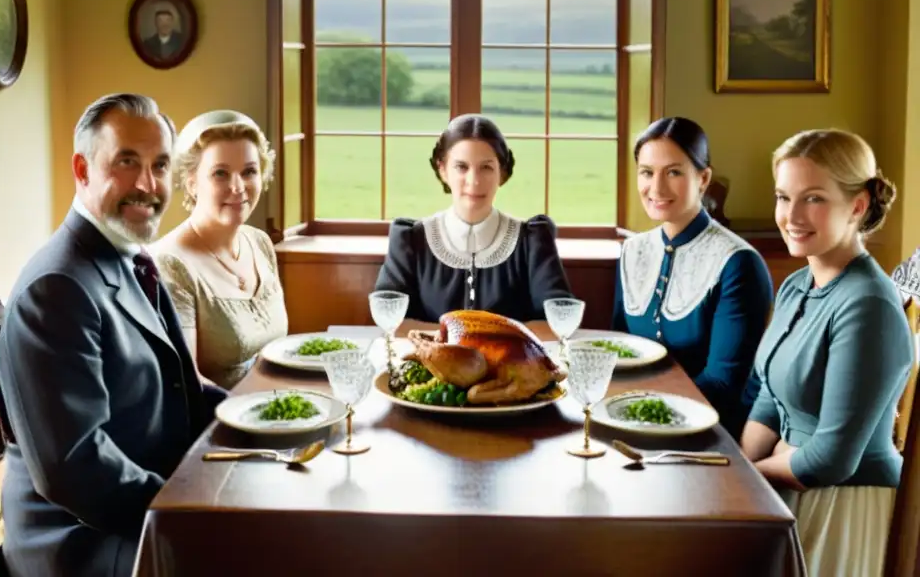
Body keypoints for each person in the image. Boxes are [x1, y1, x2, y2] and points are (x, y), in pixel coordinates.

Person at [0, 94, 228, 577]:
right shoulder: (56, 289)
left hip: (136, 505)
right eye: (127, 162)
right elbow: (76, 469)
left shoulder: (129, 255)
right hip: (78, 543)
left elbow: (183, 391)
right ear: (82, 169)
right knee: (262, 549)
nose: (148, 185)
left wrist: (263, 417)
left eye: (160, 165)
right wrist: (186, 512)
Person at [741, 128, 914, 575]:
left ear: (857, 206)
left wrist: (749, 475)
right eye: (783, 196)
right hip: (785, 483)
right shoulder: (798, 283)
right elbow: (768, 395)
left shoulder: (868, 305)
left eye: (813, 198)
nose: (791, 215)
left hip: (844, 506)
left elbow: (832, 458)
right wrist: (741, 465)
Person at [612, 117, 773, 437]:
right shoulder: (633, 251)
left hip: (714, 436)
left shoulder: (738, 263)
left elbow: (723, 384)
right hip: (635, 421)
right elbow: (620, 349)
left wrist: (636, 411)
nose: (656, 188)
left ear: (703, 178)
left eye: (673, 172)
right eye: (647, 172)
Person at [374, 113, 573, 322]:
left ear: (502, 173)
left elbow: (557, 323)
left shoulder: (532, 240)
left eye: (486, 167)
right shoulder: (410, 239)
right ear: (442, 170)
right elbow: (390, 320)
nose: (474, 181)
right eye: (461, 167)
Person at [151, 110, 288, 389]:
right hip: (217, 423)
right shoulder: (170, 264)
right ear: (192, 183)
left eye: (249, 171)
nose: (238, 187)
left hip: (278, 409)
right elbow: (186, 382)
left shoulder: (259, 242)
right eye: (220, 173)